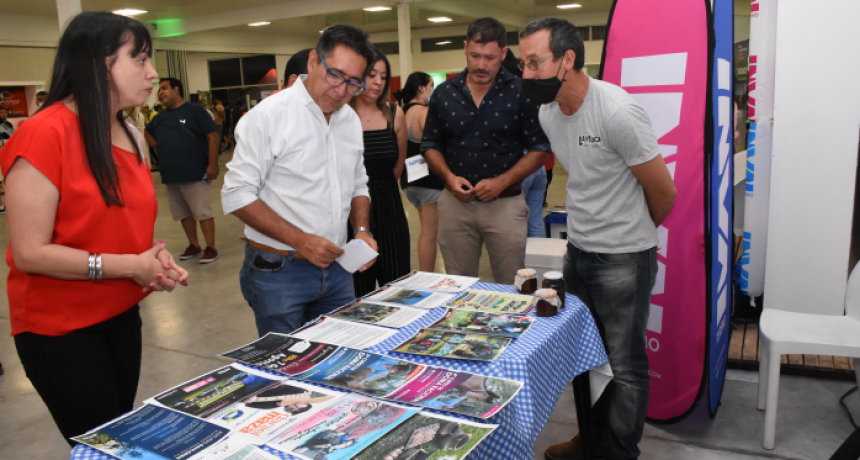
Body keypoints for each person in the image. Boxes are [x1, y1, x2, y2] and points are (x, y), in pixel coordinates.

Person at [0, 11, 188, 444]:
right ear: (97, 64)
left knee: (119, 434)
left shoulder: (129, 131)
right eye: (139, 59)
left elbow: (122, 224)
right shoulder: (43, 136)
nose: (153, 72)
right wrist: (128, 266)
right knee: (101, 444)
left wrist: (152, 257)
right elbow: (31, 251)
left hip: (120, 313)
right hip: (60, 329)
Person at [518, 17, 677, 460]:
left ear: (567, 60)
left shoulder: (617, 112)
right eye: (523, 64)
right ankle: (590, 442)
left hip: (625, 258)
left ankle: (619, 453)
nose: (526, 74)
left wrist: (630, 233)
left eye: (535, 63)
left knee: (625, 367)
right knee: (584, 356)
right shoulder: (549, 111)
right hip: (579, 253)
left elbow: (663, 194)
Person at [221, 24, 378, 336]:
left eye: (353, 83)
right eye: (335, 74)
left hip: (338, 268)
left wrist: (361, 231)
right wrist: (301, 241)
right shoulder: (269, 117)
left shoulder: (348, 119)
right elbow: (236, 194)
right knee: (287, 366)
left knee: (338, 355)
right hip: (279, 271)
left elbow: (359, 184)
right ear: (312, 61)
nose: (340, 90)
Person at [422, 17, 551, 285]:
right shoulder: (445, 94)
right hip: (455, 205)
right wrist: (448, 177)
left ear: (503, 53)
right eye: (475, 55)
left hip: (505, 205)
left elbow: (540, 148)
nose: (481, 65)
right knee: (457, 284)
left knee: (512, 284)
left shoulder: (521, 92)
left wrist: (501, 182)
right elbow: (430, 145)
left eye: (490, 58)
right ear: (465, 48)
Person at [347, 47, 410, 297]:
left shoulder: (395, 114)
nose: (378, 82)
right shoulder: (342, 115)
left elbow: (397, 166)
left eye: (383, 77)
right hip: (351, 214)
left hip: (390, 209)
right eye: (372, 75)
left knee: (397, 290)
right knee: (356, 292)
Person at [145, 77, 220, 264]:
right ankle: (193, 244)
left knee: (202, 212)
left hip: (195, 171)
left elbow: (212, 136)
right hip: (171, 174)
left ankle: (211, 247)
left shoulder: (195, 110)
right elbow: (147, 132)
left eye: (164, 88)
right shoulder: (160, 117)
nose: (161, 92)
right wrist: (158, 145)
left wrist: (212, 165)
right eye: (159, 90)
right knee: (183, 213)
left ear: (176, 89)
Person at [396, 71, 445, 272]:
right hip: (428, 180)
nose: (432, 90)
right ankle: (427, 278)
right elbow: (436, 141)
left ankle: (425, 275)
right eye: (431, 85)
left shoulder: (401, 111)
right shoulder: (423, 112)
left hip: (410, 179)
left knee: (425, 229)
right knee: (429, 232)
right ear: (421, 88)